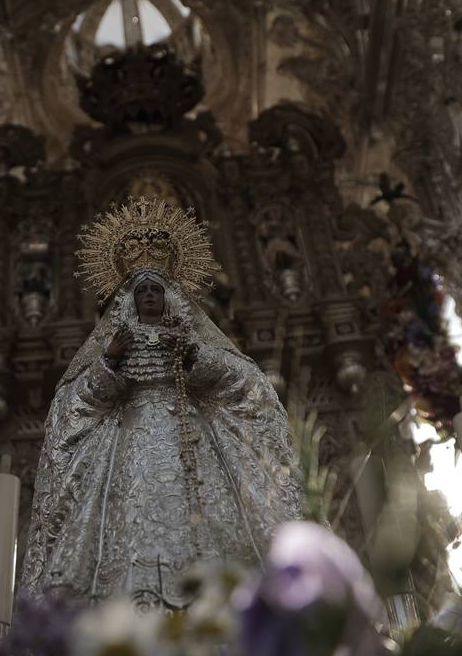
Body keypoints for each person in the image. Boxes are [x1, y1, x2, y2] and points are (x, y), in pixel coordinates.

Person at [19, 198, 301, 608]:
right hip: (128, 449)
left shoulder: (193, 341)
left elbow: (249, 386)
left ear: (170, 296)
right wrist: (110, 362)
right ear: (128, 299)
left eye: (156, 289)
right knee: (133, 523)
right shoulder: (110, 346)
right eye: (142, 290)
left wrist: (194, 359)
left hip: (193, 444)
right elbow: (71, 408)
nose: (149, 296)